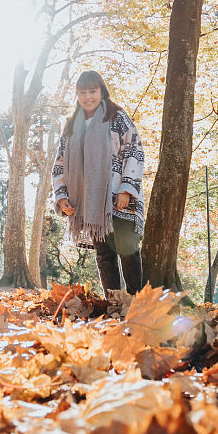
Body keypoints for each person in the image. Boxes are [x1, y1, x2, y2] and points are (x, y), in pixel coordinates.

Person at [52, 70, 145, 295]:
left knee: (127, 249)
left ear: (102, 92)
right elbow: (60, 162)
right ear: (77, 95)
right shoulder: (71, 125)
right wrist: (62, 196)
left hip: (118, 197)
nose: (88, 97)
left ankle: (135, 302)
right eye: (82, 92)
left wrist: (126, 189)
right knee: (104, 254)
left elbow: (134, 150)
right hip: (90, 200)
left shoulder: (118, 118)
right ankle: (113, 302)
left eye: (92, 91)